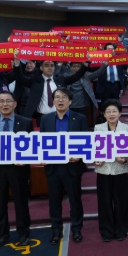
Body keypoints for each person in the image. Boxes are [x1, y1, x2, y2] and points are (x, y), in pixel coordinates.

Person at [39, 87, 89, 245]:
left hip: (72, 167)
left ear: (70, 101)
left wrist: (80, 156)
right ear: (53, 101)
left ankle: (77, 230)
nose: (60, 100)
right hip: (53, 168)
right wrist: (42, 156)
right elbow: (41, 143)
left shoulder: (79, 118)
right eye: (57, 97)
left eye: (64, 97)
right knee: (54, 202)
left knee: (75, 200)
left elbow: (86, 141)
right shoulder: (46, 119)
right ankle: (56, 231)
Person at [0, 90, 33, 247]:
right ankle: (2, 235)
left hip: (18, 169)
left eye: (8, 101)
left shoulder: (25, 122)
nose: (5, 104)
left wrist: (25, 159)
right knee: (0, 203)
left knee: (21, 202)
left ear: (15, 104)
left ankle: (23, 233)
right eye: (1, 101)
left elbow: (32, 147)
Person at [93, 99, 128, 242]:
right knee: (104, 202)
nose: (111, 114)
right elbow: (93, 148)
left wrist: (126, 159)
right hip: (103, 170)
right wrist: (95, 159)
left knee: (121, 202)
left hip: (120, 170)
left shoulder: (127, 128)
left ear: (120, 113)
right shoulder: (98, 128)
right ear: (103, 114)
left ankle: (121, 230)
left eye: (114, 111)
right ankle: (106, 231)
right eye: (108, 111)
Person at [12, 55, 88, 123]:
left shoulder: (60, 79)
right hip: (42, 117)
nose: (50, 68)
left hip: (60, 116)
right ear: (41, 68)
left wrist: (85, 64)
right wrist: (17, 63)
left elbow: (76, 76)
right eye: (46, 65)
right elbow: (21, 78)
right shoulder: (35, 81)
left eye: (52, 65)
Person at [59, 61, 109, 126]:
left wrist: (105, 65)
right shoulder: (65, 77)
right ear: (70, 67)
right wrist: (60, 64)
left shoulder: (86, 77)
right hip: (69, 106)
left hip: (83, 106)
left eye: (78, 66)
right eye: (74, 66)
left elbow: (97, 73)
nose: (76, 68)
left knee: (83, 124)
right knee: (71, 125)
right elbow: (56, 74)